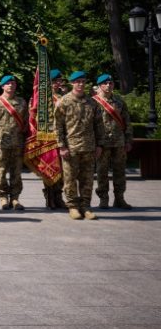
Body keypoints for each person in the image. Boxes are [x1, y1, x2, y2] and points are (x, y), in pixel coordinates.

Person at [55, 71, 104, 220]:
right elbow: (58, 126)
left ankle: (86, 206)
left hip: (89, 148)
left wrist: (99, 145)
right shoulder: (64, 101)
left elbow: (99, 126)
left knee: (87, 179)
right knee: (70, 179)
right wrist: (62, 146)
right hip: (71, 148)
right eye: (78, 82)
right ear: (72, 83)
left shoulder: (92, 102)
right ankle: (73, 206)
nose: (81, 84)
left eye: (83, 81)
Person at [92, 73, 133, 209]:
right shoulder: (93, 102)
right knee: (102, 171)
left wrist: (128, 140)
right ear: (100, 86)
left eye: (111, 83)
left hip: (118, 142)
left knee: (120, 171)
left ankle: (119, 198)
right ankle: (104, 199)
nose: (108, 85)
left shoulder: (119, 101)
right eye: (105, 83)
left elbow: (127, 121)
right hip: (102, 143)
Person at [0, 74, 28, 211]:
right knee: (1, 172)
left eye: (13, 83)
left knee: (16, 172)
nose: (11, 85)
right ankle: (3, 197)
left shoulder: (22, 102)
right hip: (1, 143)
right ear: (2, 86)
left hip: (18, 143)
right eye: (8, 83)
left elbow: (26, 123)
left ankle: (15, 198)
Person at [42, 70, 67, 209]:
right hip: (48, 138)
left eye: (59, 81)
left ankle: (58, 196)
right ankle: (49, 197)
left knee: (61, 170)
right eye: (55, 81)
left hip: (62, 138)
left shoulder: (63, 97)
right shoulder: (41, 98)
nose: (58, 83)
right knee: (49, 168)